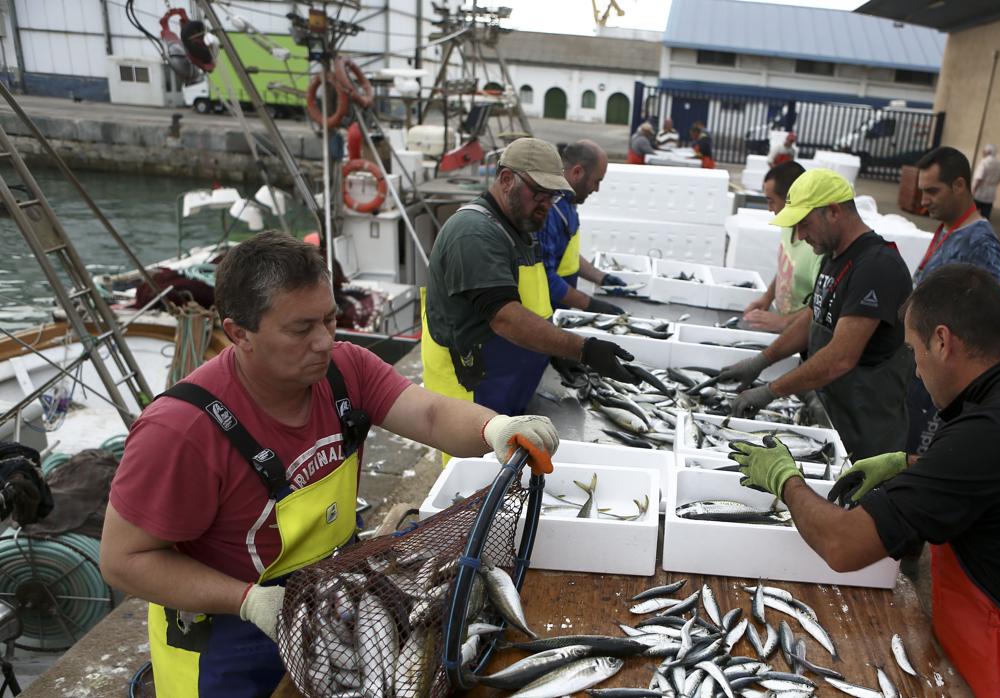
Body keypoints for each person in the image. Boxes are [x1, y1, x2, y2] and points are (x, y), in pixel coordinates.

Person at [99, 232, 561, 698]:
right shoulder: (181, 431)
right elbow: (123, 561)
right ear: (240, 333)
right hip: (227, 642)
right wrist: (248, 603)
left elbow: (430, 414)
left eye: (330, 319)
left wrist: (494, 429)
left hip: (328, 607)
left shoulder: (345, 370)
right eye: (301, 329)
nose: (324, 341)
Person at [728, 264, 1000, 696]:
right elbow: (995, 485)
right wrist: (909, 464)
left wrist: (785, 479)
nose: (915, 371)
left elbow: (843, 545)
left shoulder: (987, 434)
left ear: (942, 340)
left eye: (914, 352)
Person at [422, 137, 638, 420]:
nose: (546, 204)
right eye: (539, 192)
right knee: (479, 465)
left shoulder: (523, 227)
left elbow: (533, 301)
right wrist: (582, 350)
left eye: (552, 195)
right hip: (473, 395)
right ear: (507, 179)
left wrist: (554, 352)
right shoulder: (473, 232)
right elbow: (505, 317)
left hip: (509, 388)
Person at [717, 169, 912, 460]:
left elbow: (841, 357)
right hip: (833, 410)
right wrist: (762, 360)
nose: (800, 235)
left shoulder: (876, 266)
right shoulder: (833, 256)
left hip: (865, 428)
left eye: (804, 224)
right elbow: (813, 317)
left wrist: (771, 390)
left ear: (833, 211)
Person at [908, 146, 1000, 456]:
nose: (924, 200)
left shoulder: (979, 240)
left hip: (944, 388)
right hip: (925, 377)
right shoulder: (949, 228)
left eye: (932, 191)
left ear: (959, 185)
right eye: (922, 191)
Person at [538, 140, 628, 312]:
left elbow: (566, 255)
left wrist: (601, 277)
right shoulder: (548, 211)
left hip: (560, 311)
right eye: (596, 181)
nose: (597, 189)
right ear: (577, 172)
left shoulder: (569, 202)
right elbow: (544, 277)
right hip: (545, 314)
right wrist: (590, 305)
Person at [742, 161, 822, 333]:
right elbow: (785, 268)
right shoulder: (787, 225)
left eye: (771, 201)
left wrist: (783, 322)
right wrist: (767, 298)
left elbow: (819, 308)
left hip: (799, 334)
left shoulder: (817, 246)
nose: (769, 208)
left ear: (790, 199)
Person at [971, 143, 1000, 219]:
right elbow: (999, 179)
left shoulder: (984, 162)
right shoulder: (999, 164)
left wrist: (973, 191)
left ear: (988, 152)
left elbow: (979, 178)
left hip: (979, 194)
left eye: (984, 151)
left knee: (971, 215)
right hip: (991, 194)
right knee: (985, 216)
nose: (983, 153)